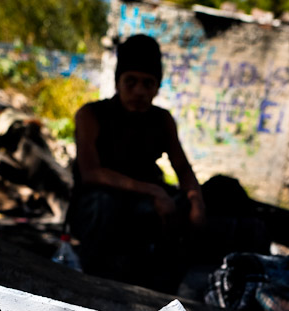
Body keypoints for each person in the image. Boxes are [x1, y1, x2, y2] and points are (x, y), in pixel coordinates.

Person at [69, 34, 205, 292]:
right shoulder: (91, 114)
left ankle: (160, 288)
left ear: (157, 87)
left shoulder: (162, 120)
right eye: (130, 82)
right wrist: (153, 190)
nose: (139, 91)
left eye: (148, 83)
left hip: (143, 207)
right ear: (118, 83)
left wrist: (196, 201)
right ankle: (94, 284)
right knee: (103, 203)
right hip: (99, 208)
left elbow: (183, 168)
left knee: (183, 208)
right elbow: (91, 173)